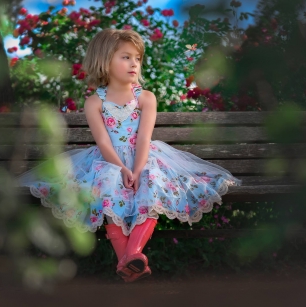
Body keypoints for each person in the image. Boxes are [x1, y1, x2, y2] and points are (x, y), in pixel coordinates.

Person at [15, 28, 242, 282]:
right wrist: (122, 168)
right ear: (105, 60)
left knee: (152, 183)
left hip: (144, 158)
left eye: (137, 58)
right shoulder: (95, 102)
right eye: (125, 57)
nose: (134, 63)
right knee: (107, 187)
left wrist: (136, 169)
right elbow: (102, 141)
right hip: (108, 160)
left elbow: (144, 138)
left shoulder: (145, 98)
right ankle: (132, 262)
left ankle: (129, 259)